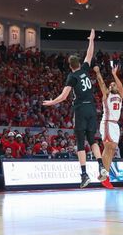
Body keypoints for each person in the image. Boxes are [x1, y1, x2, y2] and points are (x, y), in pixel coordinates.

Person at [43, 29, 104, 188]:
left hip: (81, 110)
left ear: (70, 66)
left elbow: (63, 97)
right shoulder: (85, 69)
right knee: (93, 140)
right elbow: (89, 54)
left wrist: (51, 103)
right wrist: (91, 40)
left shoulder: (72, 76)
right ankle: (102, 167)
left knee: (80, 142)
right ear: (79, 63)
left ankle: (84, 175)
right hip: (92, 109)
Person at [93, 64, 123, 189]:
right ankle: (103, 174)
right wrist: (98, 72)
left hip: (115, 124)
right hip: (107, 122)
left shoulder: (120, 95)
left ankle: (105, 175)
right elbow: (101, 83)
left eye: (113, 84)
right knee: (108, 147)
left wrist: (114, 74)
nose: (111, 85)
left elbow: (121, 86)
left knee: (112, 150)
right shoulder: (107, 95)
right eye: (110, 85)